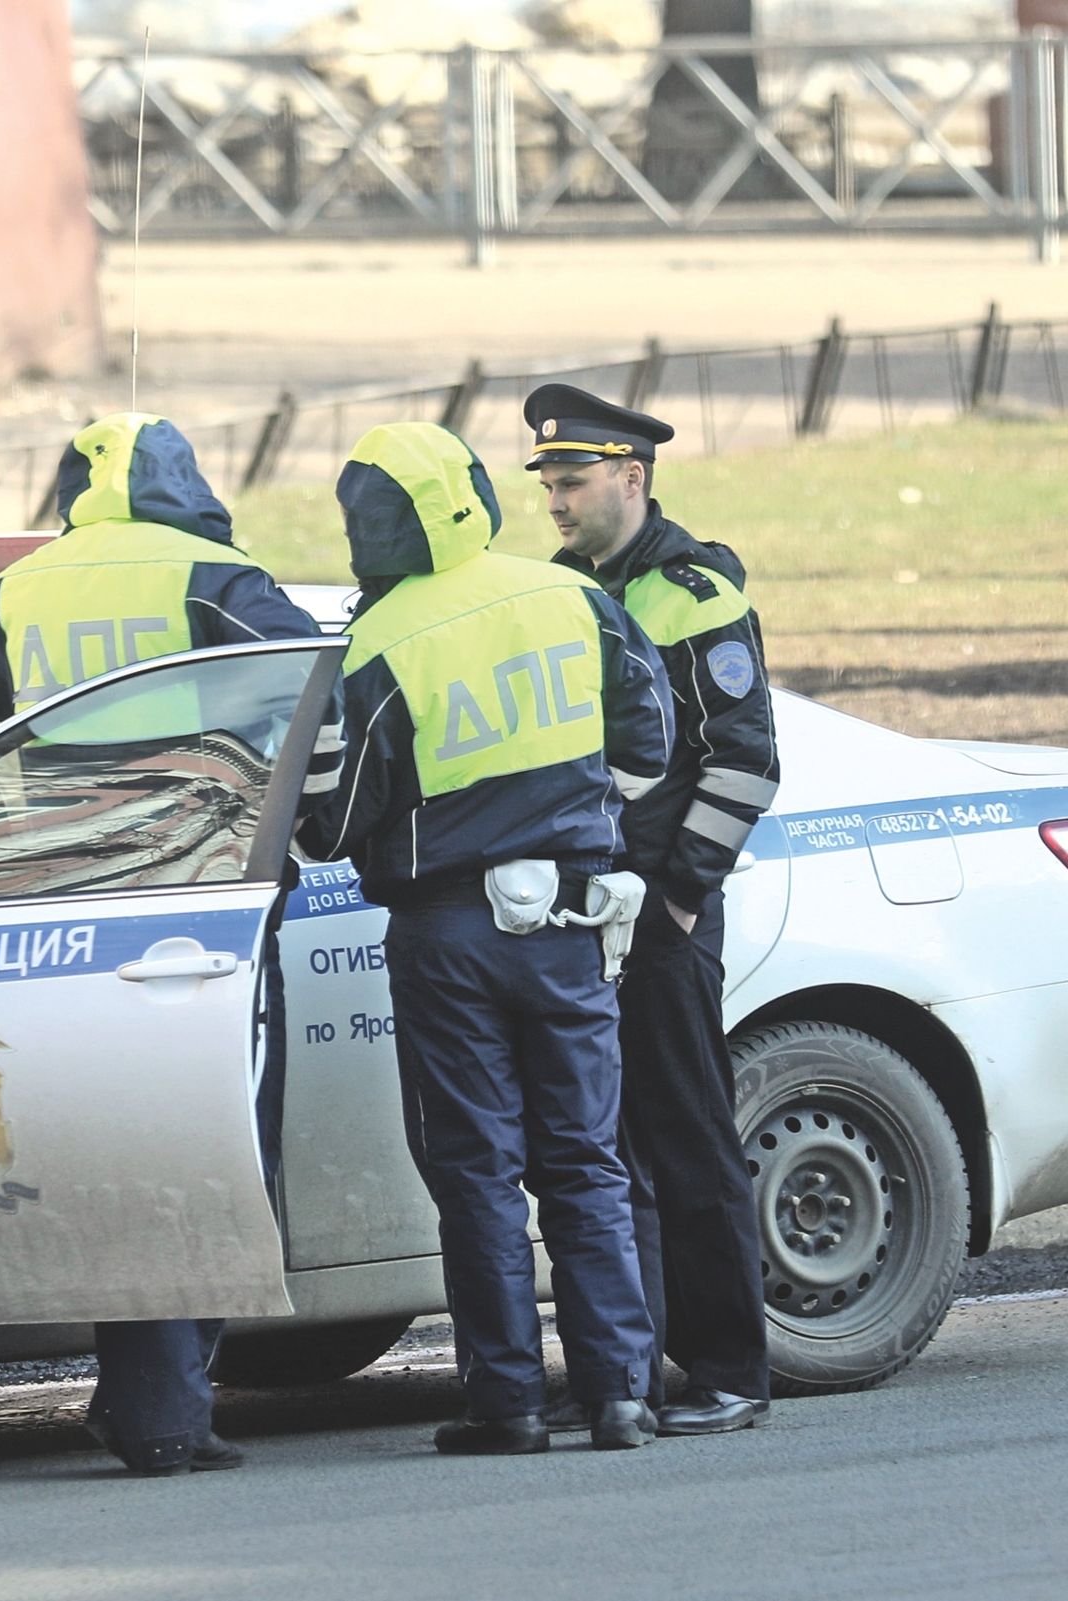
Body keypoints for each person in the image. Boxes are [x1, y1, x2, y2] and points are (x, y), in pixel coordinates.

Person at [0, 410, 334, 1478]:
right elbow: (319, 696)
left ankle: (144, 1398)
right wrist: (317, 829)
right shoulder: (217, 579)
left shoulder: (27, 587)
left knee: (116, 1157)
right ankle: (162, 1410)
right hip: (201, 917)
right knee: (215, 1152)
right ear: (185, 482)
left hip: (58, 926)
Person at [298, 420, 673, 1454]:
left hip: (447, 933)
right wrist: (580, 826)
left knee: (475, 1171)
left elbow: (329, 824)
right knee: (585, 1165)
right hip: (567, 921)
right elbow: (650, 744)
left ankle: (506, 1402)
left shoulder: (377, 640)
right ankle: (620, 1394)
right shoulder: (571, 597)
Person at [528, 382, 781, 1437]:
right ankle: (636, 1364)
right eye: (546, 480)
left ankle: (727, 1366)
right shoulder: (553, 588)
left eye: (571, 480)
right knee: (603, 1151)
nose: (554, 498)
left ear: (630, 477)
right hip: (582, 916)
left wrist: (679, 899)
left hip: (663, 920)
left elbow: (746, 763)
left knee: (686, 1142)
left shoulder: (692, 593)